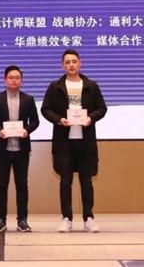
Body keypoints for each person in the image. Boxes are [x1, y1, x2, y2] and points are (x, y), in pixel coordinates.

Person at [41, 49, 107, 233]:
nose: (71, 65)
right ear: (62, 65)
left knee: (87, 181)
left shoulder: (91, 85)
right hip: (64, 142)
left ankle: (89, 218)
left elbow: (102, 108)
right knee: (65, 182)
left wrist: (90, 118)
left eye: (74, 61)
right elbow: (46, 109)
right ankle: (66, 218)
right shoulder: (55, 86)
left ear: (80, 63)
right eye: (67, 62)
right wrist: (59, 119)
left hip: (85, 142)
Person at [0, 65, 40, 233]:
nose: (14, 80)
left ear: (21, 80)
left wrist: (27, 131)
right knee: (1, 185)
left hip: (22, 149)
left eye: (17, 78)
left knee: (22, 185)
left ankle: (22, 220)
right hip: (2, 149)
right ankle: (0, 220)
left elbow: (35, 121)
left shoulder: (28, 99)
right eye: (10, 77)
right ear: (5, 80)